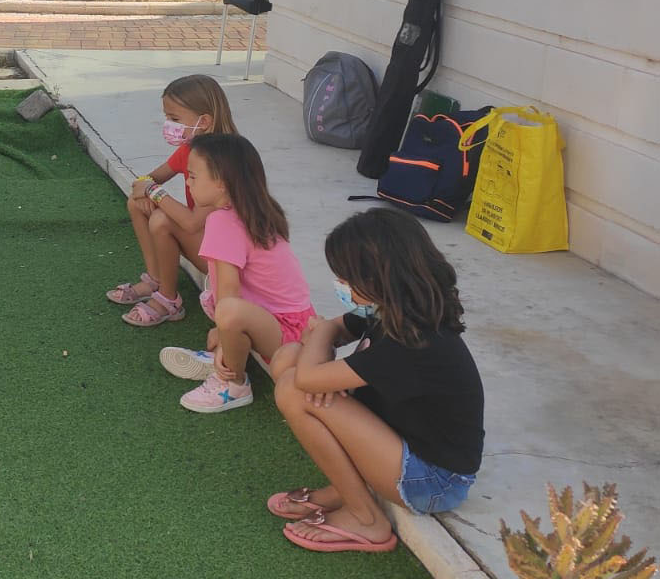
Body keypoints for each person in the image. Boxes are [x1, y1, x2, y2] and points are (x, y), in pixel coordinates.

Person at [267, 208, 484, 554]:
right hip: (403, 444)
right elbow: (333, 332)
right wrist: (322, 343)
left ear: (379, 279)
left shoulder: (414, 341)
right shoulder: (391, 310)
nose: (341, 286)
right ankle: (346, 488)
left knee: (294, 388)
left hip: (434, 480)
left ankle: (366, 518)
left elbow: (309, 375)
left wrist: (321, 338)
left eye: (347, 279)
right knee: (288, 358)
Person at [155, 132, 314, 414]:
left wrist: (222, 333)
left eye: (192, 176)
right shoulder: (257, 210)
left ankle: (234, 383)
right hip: (298, 324)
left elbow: (228, 292)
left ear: (221, 184)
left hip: (287, 334)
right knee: (223, 309)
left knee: (227, 312)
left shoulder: (222, 221)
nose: (188, 183)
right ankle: (226, 354)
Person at [108, 75, 238, 325]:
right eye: (168, 117)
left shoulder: (223, 161)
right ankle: (155, 280)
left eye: (175, 119)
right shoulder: (190, 149)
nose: (168, 125)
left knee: (161, 220)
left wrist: (153, 191)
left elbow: (191, 223)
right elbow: (149, 179)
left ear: (205, 121)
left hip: (224, 258)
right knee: (137, 204)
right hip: (203, 240)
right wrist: (144, 187)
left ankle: (169, 300)